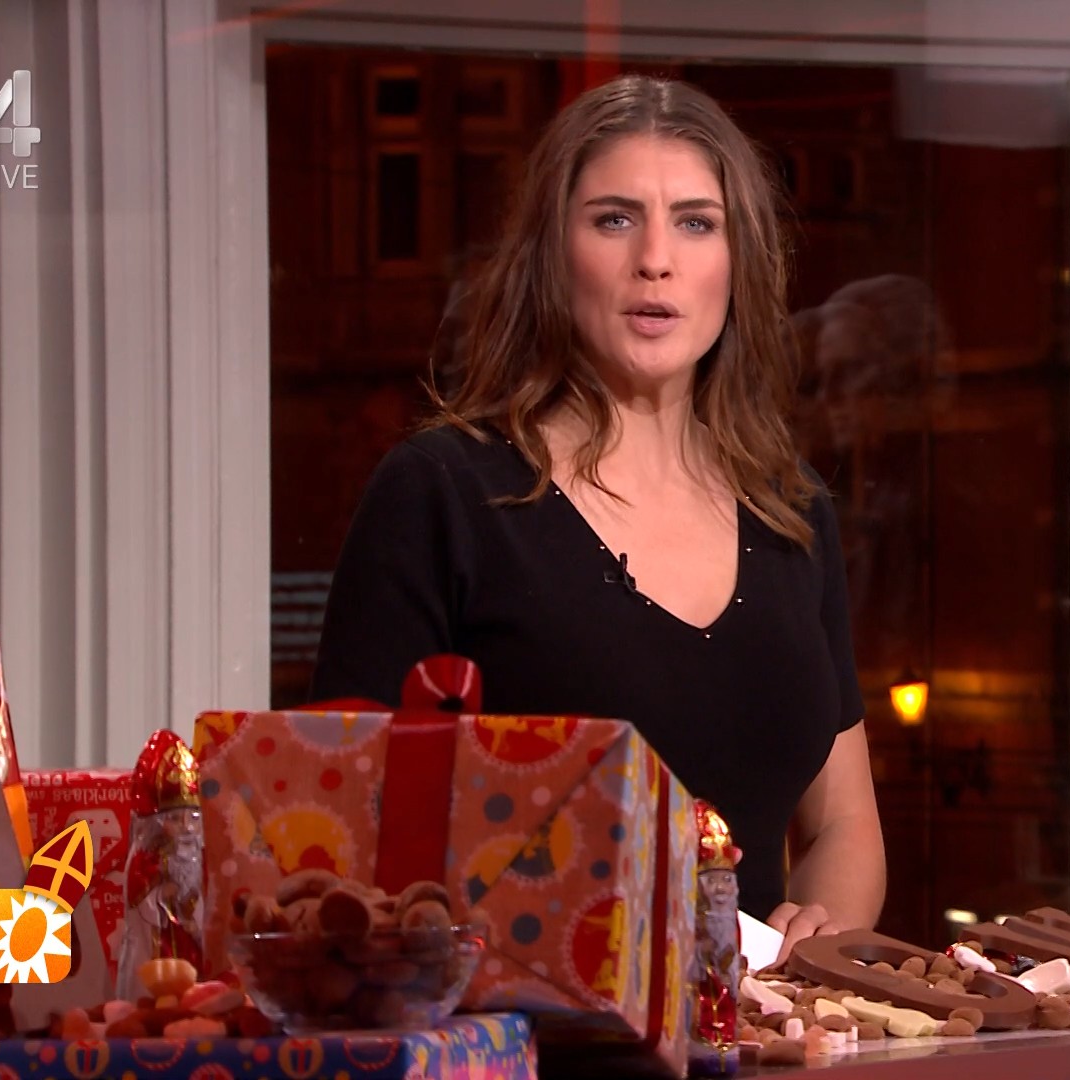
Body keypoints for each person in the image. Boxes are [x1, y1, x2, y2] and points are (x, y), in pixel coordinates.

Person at [310, 74, 886, 961]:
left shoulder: (791, 507)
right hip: (518, 1022)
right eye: (614, 220)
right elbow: (348, 828)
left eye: (696, 223)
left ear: (739, 260)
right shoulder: (442, 493)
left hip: (760, 1026)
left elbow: (843, 820)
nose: (655, 259)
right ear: (552, 253)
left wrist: (821, 941)